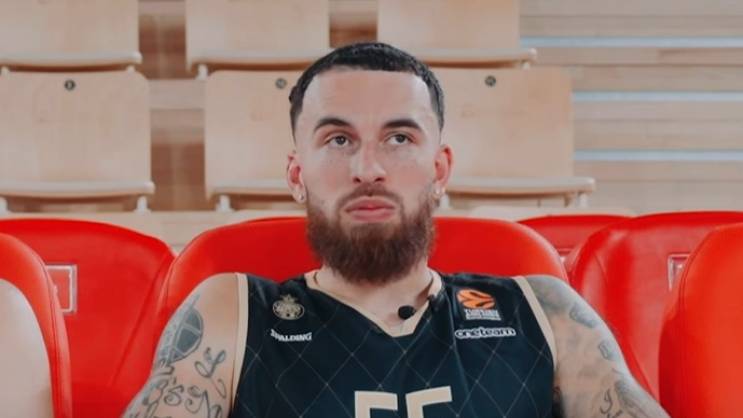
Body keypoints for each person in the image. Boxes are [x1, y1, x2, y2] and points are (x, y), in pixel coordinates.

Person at [124, 43, 669, 418]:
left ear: (440, 170)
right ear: (297, 175)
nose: (369, 168)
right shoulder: (233, 313)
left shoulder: (544, 311)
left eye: (400, 138)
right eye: (338, 140)